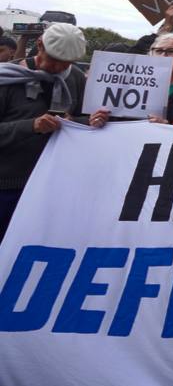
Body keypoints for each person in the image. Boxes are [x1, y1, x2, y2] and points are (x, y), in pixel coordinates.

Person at [0, 24, 107, 239]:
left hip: (54, 186)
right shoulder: (5, 79)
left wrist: (88, 121)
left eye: (66, 63)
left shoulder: (74, 77)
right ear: (39, 45)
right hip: (7, 188)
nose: (59, 68)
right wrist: (32, 126)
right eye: (54, 59)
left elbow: (80, 120)